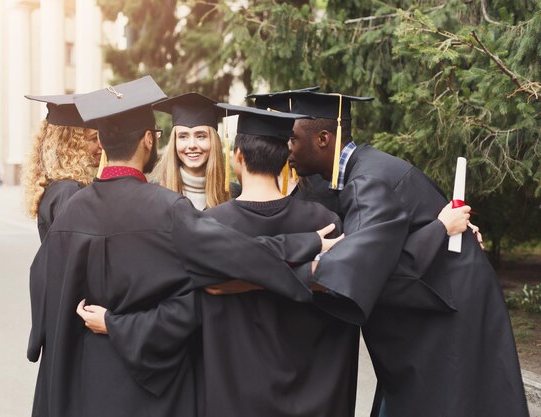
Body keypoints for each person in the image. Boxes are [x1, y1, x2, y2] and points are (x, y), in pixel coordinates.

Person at [28, 76, 331, 417]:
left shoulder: (72, 210)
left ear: (101, 139)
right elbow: (238, 253)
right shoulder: (166, 209)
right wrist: (308, 242)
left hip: (85, 378)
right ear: (147, 140)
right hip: (149, 386)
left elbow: (43, 283)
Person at [250, 89, 528, 417]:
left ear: (323, 139)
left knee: (452, 403)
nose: (287, 149)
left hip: (448, 308)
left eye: (292, 140)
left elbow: (370, 268)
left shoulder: (367, 182)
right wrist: (438, 227)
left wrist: (275, 273)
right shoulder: (359, 169)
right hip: (443, 296)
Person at [196, 103, 359, 417]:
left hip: (233, 398)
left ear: (237, 157)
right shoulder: (324, 223)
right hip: (313, 398)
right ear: (287, 158)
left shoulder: (211, 226)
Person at [23, 94, 102, 241]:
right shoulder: (69, 192)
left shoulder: (58, 187)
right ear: (70, 144)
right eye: (93, 138)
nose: (101, 145)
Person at [151, 93, 231, 210]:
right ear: (174, 142)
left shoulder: (231, 194)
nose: (192, 145)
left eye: (200, 136)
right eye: (183, 136)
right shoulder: (155, 193)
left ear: (214, 141)